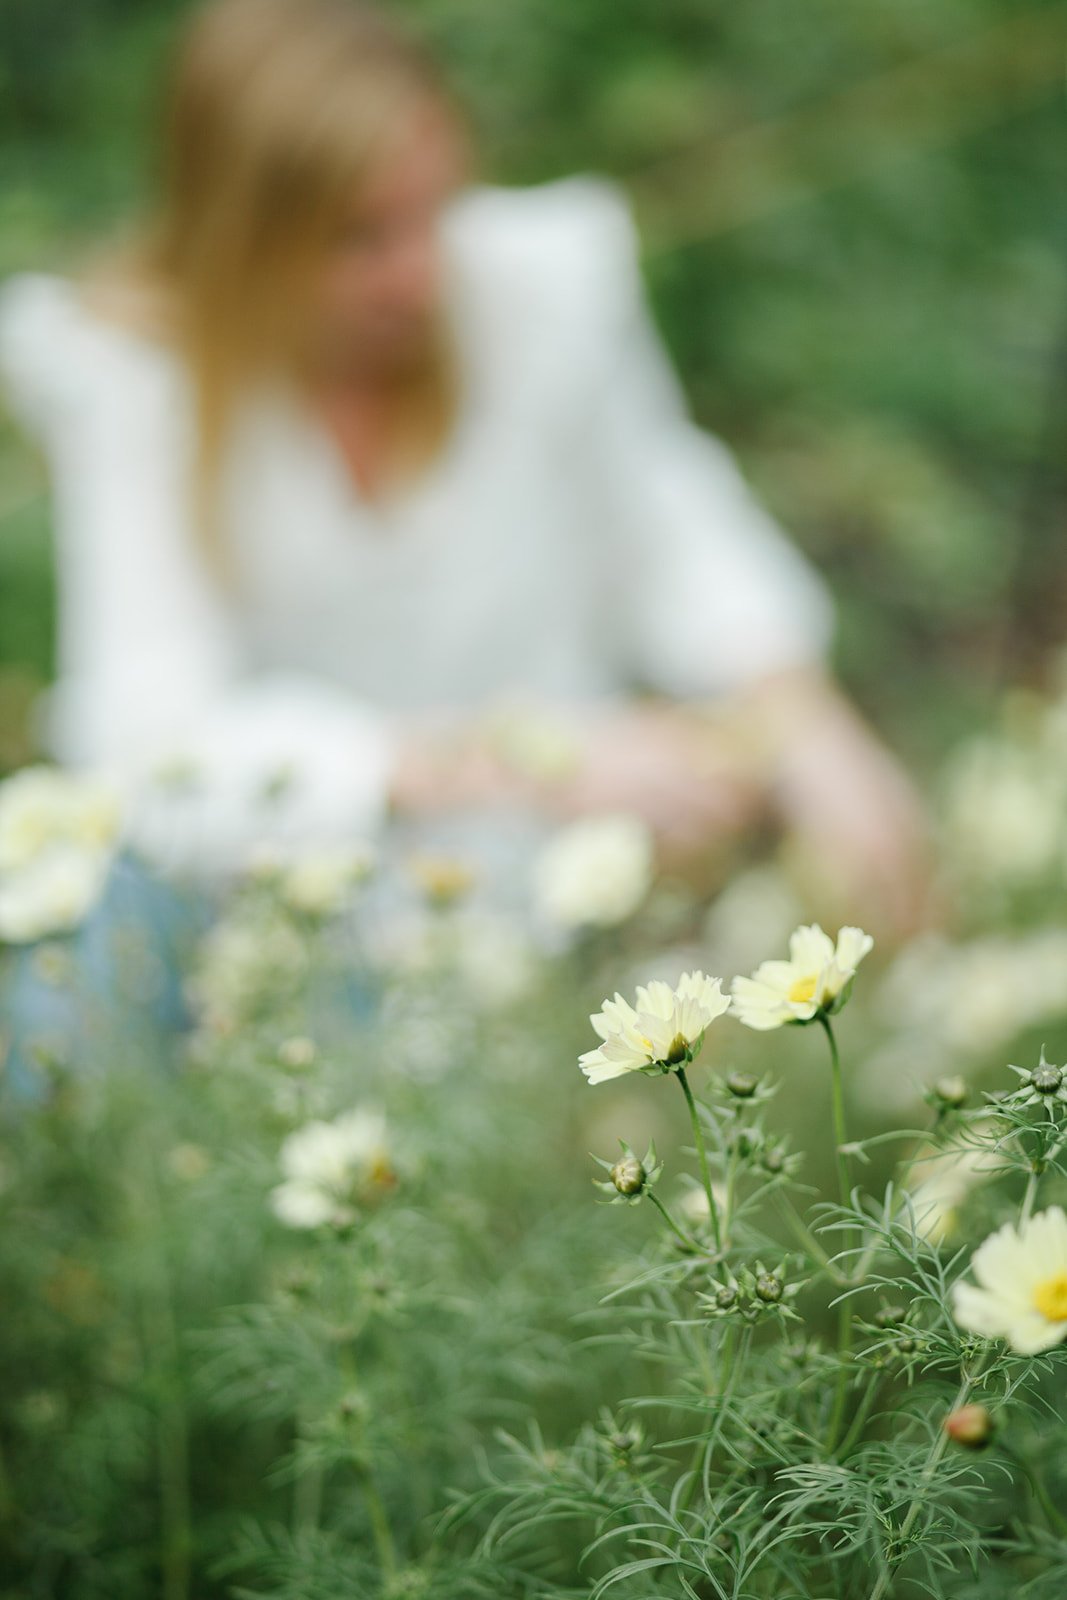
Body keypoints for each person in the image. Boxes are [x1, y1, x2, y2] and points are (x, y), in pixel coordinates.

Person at [0, 0, 926, 932]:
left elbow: (666, 528)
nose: (419, 273)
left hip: (553, 910)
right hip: (278, 933)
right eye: (359, 236)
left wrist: (806, 729)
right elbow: (146, 747)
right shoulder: (138, 380)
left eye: (433, 211)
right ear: (242, 234)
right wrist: (518, 763)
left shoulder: (536, 286)